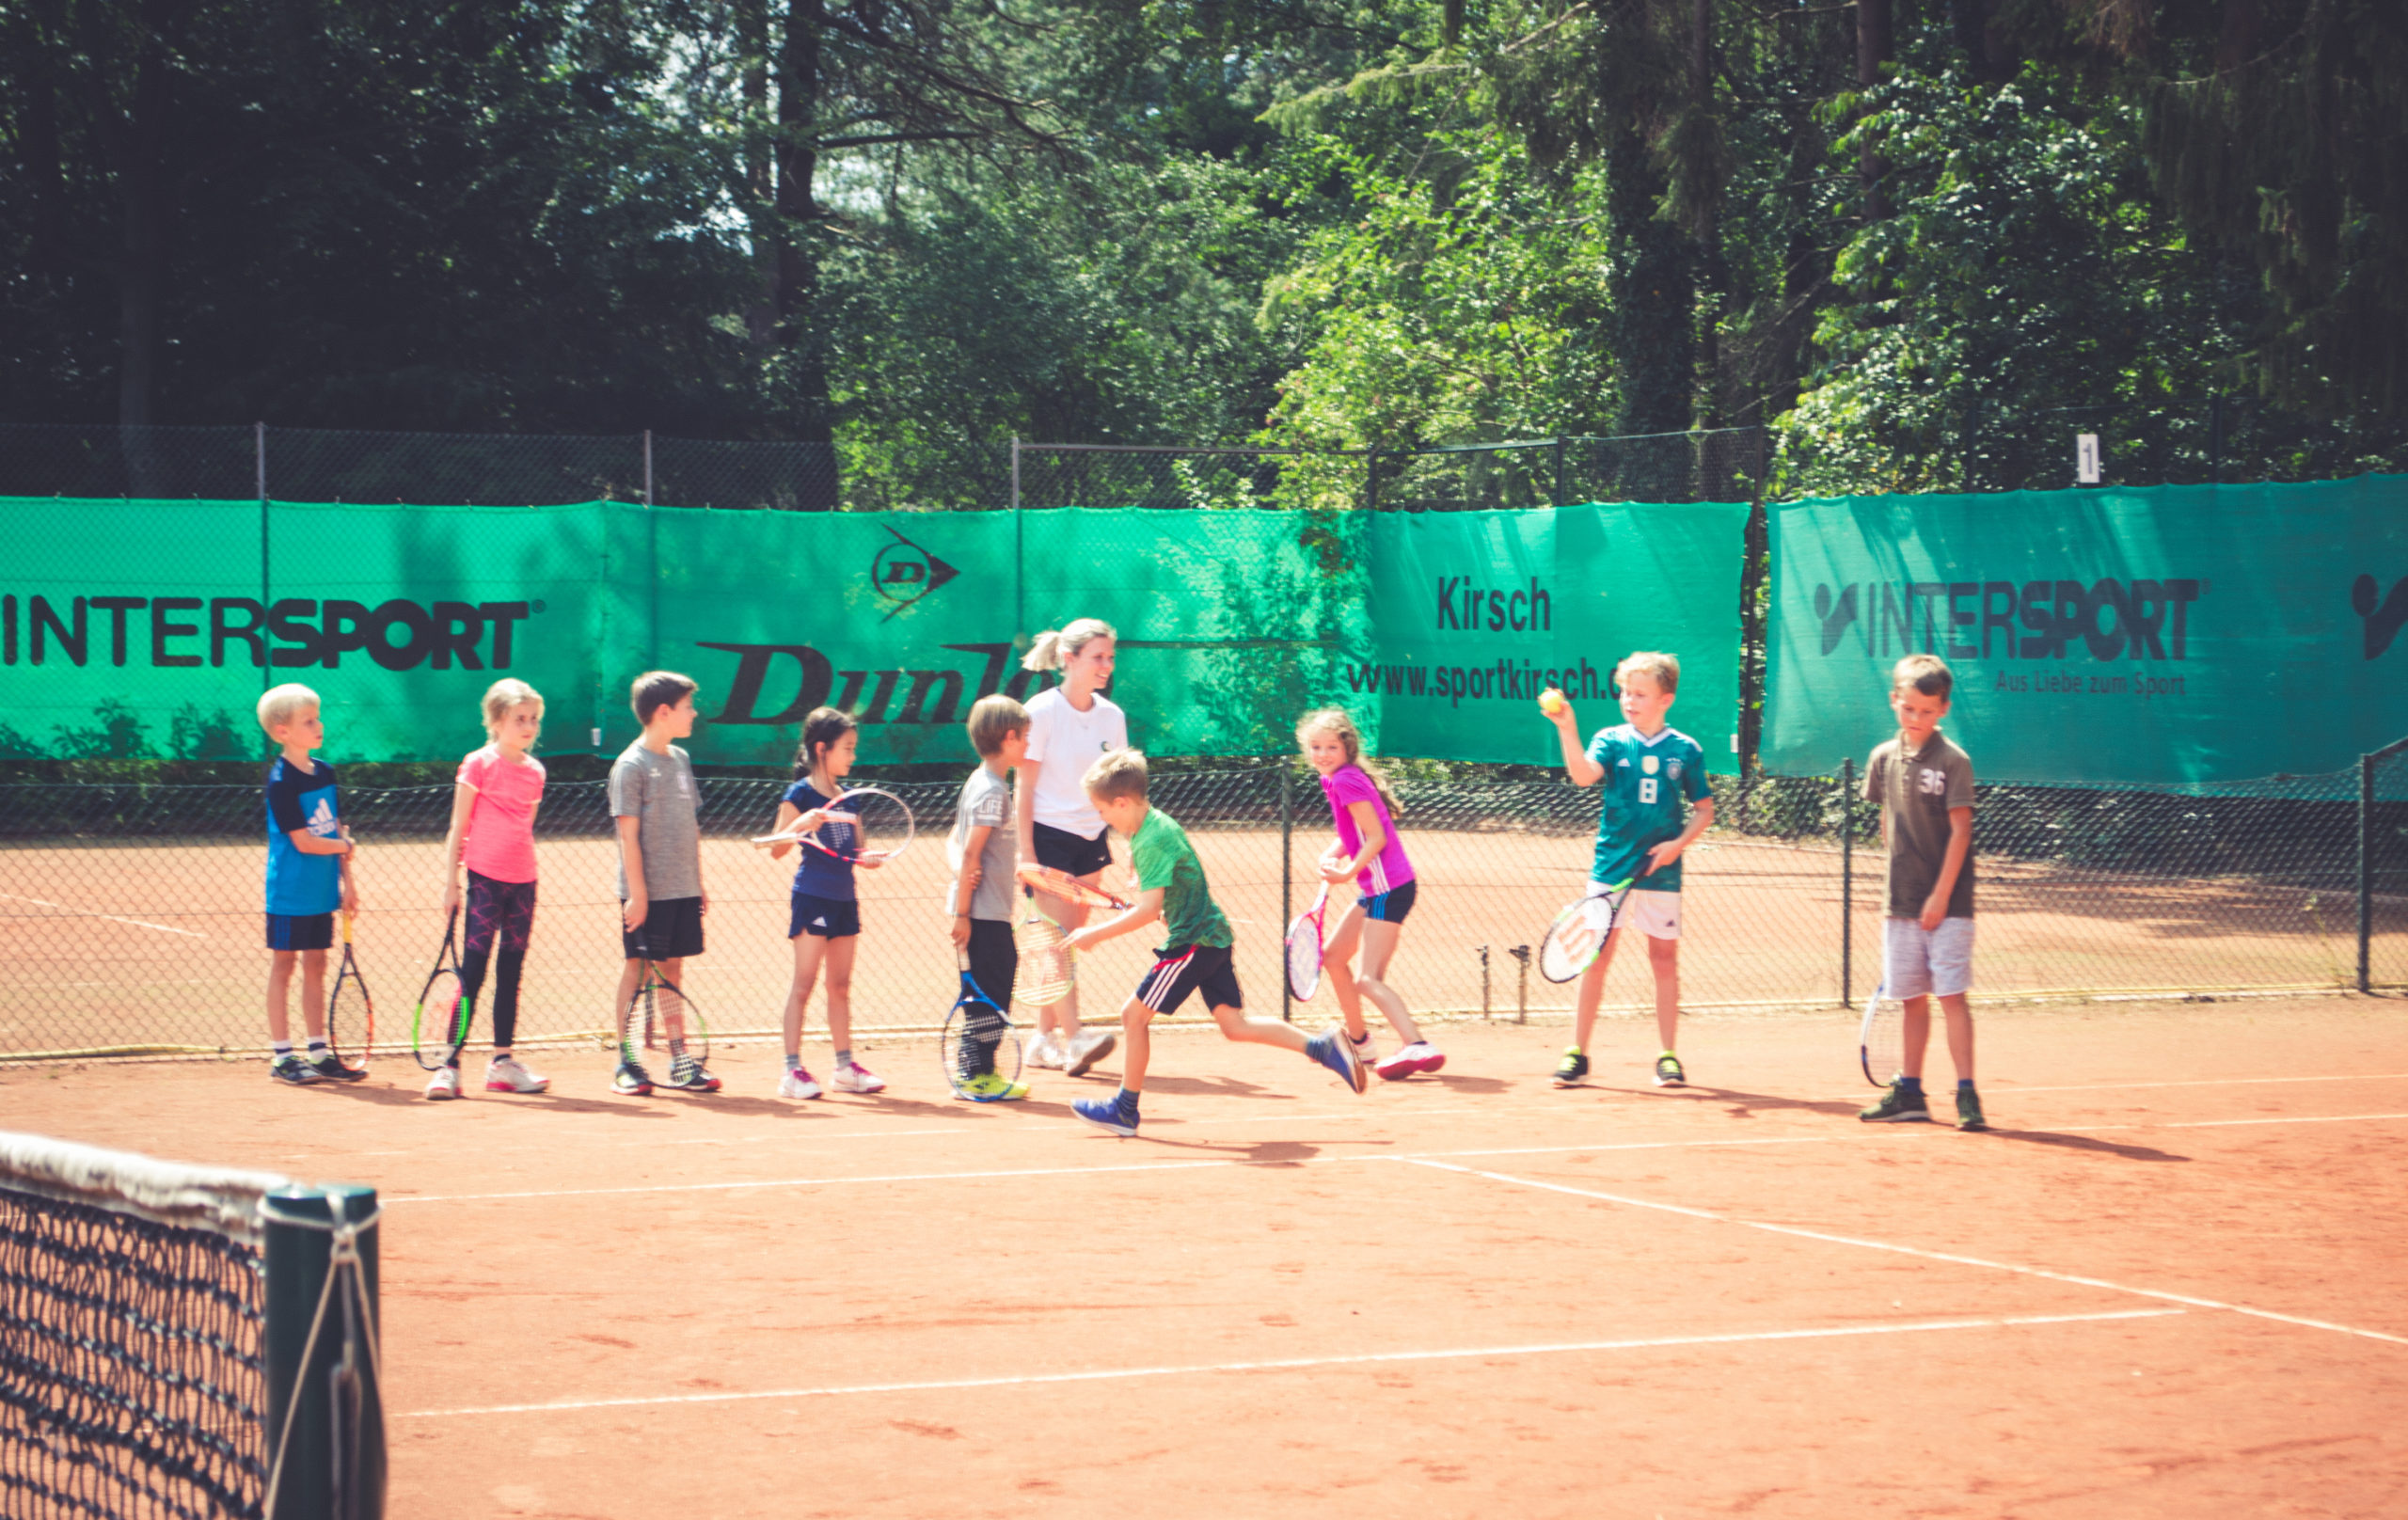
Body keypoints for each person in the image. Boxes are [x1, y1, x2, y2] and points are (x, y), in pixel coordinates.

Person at [1062, 750, 1365, 1137]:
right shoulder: (1154, 824)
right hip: (1212, 937)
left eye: (1102, 810)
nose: (1102, 818)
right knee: (1235, 1026)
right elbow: (1170, 885)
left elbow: (1148, 910)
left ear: (1121, 803)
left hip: (1193, 942)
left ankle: (1124, 1110)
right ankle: (1322, 1048)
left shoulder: (1150, 839)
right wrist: (1155, 894)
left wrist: (1094, 934)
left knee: (1132, 1017)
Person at [1540, 653, 1715, 1089]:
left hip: (1661, 872)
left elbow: (1705, 810)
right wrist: (1567, 729)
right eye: (1624, 692)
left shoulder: (1686, 749)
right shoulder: (1611, 740)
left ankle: (1668, 1056)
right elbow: (1583, 776)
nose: (1628, 700)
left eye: (1639, 694)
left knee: (1663, 961)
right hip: (1611, 867)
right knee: (1595, 959)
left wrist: (1676, 846)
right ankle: (1577, 1053)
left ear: (1665, 700)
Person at [1858, 654, 1987, 1131]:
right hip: (1901, 903)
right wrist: (1900, 885)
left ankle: (1967, 1094)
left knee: (1951, 997)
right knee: (1911, 998)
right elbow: (1887, 820)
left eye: (1927, 711)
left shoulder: (1954, 761)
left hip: (1949, 905)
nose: (1916, 718)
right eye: (1908, 708)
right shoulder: (1882, 758)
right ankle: (1910, 1093)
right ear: (1894, 700)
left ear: (1943, 709)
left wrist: (1939, 896)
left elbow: (1961, 831)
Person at [1296, 707, 1443, 1080]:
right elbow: (1358, 830)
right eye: (1316, 747)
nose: (1323, 754)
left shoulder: (1345, 780)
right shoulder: (1335, 778)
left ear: (1347, 748)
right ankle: (1360, 1042)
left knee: (1367, 979)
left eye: (1331, 747)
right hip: (1377, 889)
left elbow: (1376, 837)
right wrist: (1333, 853)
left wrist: (1346, 872)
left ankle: (1417, 1044)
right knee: (1333, 957)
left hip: (1389, 888)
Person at [428, 678, 549, 1100]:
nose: (528, 726)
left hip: (524, 882)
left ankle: (502, 1064)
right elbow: (458, 827)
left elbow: (525, 827)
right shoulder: (477, 764)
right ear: (497, 721)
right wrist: (451, 884)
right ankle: (448, 1066)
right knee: (473, 973)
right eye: (519, 718)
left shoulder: (536, 772)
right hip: (484, 880)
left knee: (510, 973)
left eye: (533, 719)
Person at [1014, 618, 1123, 1077]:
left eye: (1110, 657)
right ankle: (1076, 1038)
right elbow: (1024, 786)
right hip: (1047, 838)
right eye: (1097, 657)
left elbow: (1120, 789)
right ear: (1069, 658)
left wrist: (1134, 848)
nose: (1106, 665)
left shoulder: (1112, 717)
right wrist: (1026, 854)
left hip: (1092, 839)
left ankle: (1042, 1039)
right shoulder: (1040, 712)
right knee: (1056, 944)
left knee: (1065, 946)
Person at [610, 671, 718, 1096]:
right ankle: (627, 1062)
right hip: (646, 894)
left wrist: (697, 881)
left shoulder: (681, 760)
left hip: (682, 889)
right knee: (637, 970)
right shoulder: (630, 766)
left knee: (673, 971)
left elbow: (689, 824)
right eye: (688, 707)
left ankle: (680, 1061)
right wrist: (638, 894)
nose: (694, 713)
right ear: (663, 712)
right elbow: (627, 836)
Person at [772, 707, 887, 1099]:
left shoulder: (849, 799)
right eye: (847, 748)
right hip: (813, 899)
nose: (853, 756)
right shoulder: (800, 794)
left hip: (844, 900)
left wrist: (869, 859)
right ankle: (792, 1071)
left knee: (839, 986)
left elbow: (857, 853)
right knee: (803, 985)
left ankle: (844, 1068)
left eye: (854, 748)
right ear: (822, 749)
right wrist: (799, 825)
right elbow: (776, 848)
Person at [257, 683, 366, 1085]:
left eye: (318, 718)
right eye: (308, 721)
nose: (319, 725)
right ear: (282, 731)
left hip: (322, 892)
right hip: (289, 893)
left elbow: (335, 827)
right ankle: (283, 1057)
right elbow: (304, 841)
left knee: (317, 964)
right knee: (284, 965)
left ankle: (318, 1053)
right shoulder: (281, 781)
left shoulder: (325, 772)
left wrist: (347, 883)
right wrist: (345, 845)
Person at [945, 694, 1032, 1100]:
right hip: (982, 914)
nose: (1028, 744)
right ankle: (975, 1074)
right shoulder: (993, 790)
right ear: (1009, 737)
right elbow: (970, 852)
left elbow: (957, 845)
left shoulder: (979, 781)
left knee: (985, 992)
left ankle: (976, 1070)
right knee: (990, 994)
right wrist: (963, 913)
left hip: (981, 911)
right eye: (1025, 737)